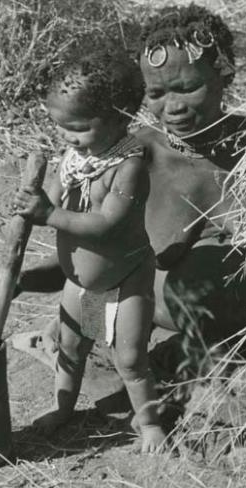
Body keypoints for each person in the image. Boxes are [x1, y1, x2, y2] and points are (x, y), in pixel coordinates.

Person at [0, 4, 246, 404]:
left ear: (225, 74)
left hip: (238, 322)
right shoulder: (132, 158)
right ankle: (89, 353)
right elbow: (101, 254)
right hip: (138, 303)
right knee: (94, 312)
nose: (173, 107)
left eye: (187, 87)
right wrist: (20, 281)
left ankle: (160, 361)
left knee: (190, 282)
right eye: (157, 93)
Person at [9, 47, 168, 453]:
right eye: (61, 127)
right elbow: (53, 194)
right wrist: (34, 202)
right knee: (71, 348)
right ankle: (63, 410)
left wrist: (48, 215)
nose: (67, 137)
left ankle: (148, 423)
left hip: (124, 280)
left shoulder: (127, 166)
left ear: (120, 118)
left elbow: (106, 224)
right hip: (84, 284)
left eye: (78, 127)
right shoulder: (77, 157)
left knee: (130, 361)